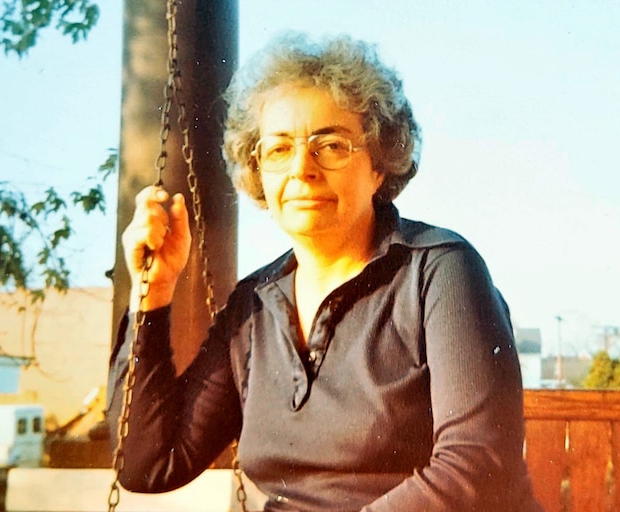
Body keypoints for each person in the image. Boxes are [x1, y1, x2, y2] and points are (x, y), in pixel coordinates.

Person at [108, 32, 542, 512]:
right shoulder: (254, 305)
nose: (302, 168)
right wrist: (153, 292)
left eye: (331, 145)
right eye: (278, 150)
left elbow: (476, 466)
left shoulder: (439, 270)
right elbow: (149, 464)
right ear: (258, 171)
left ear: (379, 165)